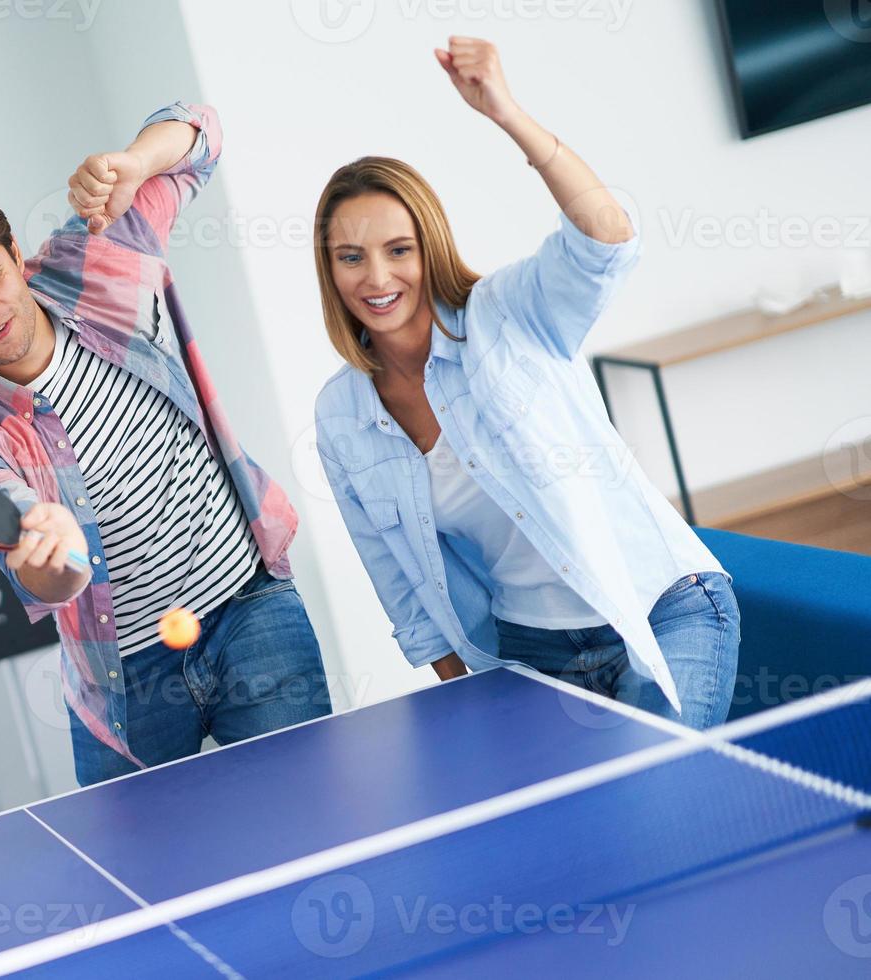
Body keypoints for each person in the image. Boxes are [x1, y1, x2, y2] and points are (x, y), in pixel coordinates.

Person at [0, 101, 332, 785]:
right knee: (150, 880)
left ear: (16, 256)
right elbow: (47, 582)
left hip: (248, 607)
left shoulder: (101, 258)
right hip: (125, 680)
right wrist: (53, 550)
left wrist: (136, 161)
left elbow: (203, 132)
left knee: (315, 815)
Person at [313, 38, 740, 729]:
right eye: (350, 257)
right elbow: (402, 587)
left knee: (659, 804)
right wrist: (468, 697)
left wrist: (507, 114)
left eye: (398, 250)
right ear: (328, 269)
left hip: (662, 610)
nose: (377, 278)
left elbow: (607, 241)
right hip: (529, 657)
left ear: (430, 246)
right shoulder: (340, 415)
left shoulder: (510, 314)